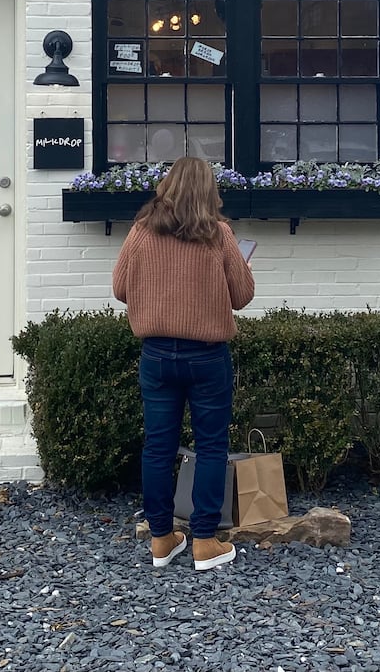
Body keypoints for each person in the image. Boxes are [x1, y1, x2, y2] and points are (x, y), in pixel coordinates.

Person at [111, 156, 255, 572]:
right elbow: (242, 296)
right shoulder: (220, 235)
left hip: (156, 354)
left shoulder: (141, 232)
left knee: (158, 447)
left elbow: (121, 287)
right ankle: (205, 542)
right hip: (207, 356)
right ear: (209, 191)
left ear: (166, 187)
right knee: (211, 446)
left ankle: (161, 539)